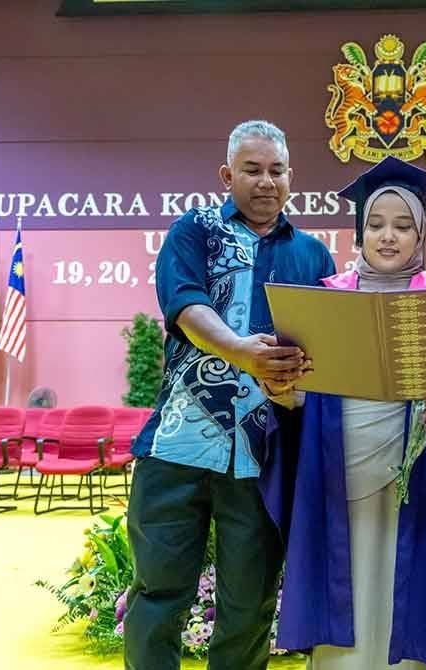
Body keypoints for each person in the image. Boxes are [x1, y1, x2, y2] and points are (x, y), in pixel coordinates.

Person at [124, 120, 336, 670]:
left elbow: (331, 354)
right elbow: (186, 306)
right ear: (227, 175)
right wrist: (242, 352)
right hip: (177, 448)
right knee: (159, 596)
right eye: (252, 170)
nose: (266, 182)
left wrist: (298, 387)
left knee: (249, 607)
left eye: (277, 171)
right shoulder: (191, 232)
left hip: (263, 458)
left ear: (291, 176)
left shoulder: (314, 258)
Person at [260, 156, 426, 670]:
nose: (388, 237)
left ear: (422, 236)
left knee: (404, 585)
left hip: (416, 477)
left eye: (403, 226)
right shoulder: (324, 301)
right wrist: (280, 389)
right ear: (358, 234)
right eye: (375, 225)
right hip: (337, 471)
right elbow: (301, 396)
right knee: (349, 581)